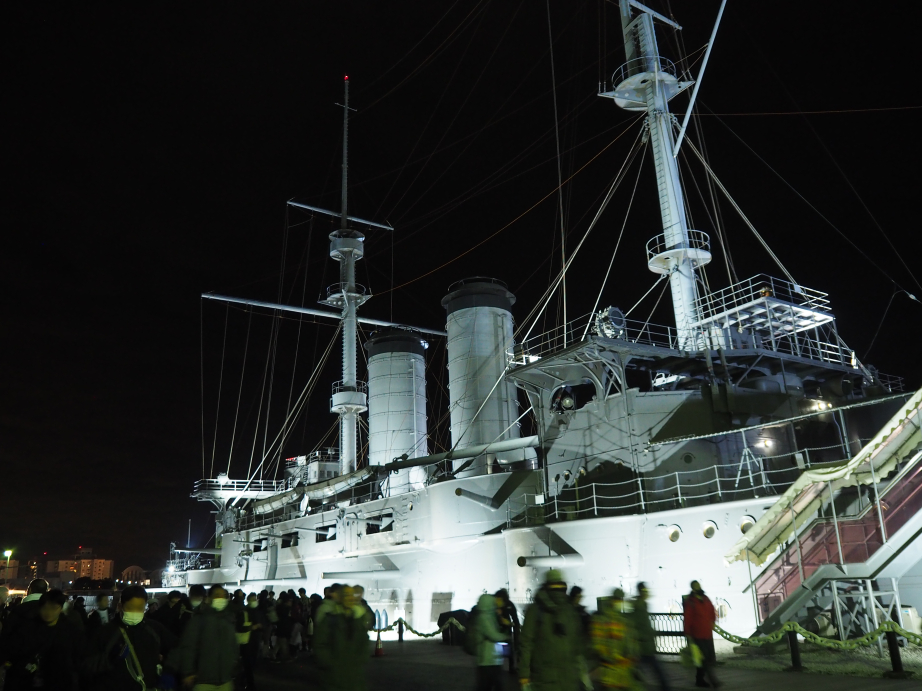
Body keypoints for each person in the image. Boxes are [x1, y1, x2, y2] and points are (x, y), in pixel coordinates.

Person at [84, 584, 179, 690]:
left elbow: (176, 648)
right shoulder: (106, 632)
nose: (135, 612)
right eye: (130, 608)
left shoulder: (154, 629)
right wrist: (109, 659)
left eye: (140, 609)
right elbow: (87, 666)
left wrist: (169, 670)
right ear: (120, 606)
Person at [4, 589, 85, 691]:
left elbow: (76, 659)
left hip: (57, 682)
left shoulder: (71, 631)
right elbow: (14, 650)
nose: (48, 612)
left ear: (61, 608)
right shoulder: (27, 627)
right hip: (25, 681)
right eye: (45, 608)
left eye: (53, 608)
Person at [518, 569, 586, 691]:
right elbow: (577, 646)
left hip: (544, 678)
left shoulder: (535, 610)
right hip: (570, 677)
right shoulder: (570, 610)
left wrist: (524, 674)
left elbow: (526, 643)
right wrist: (582, 674)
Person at [174, 585, 239, 690]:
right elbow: (188, 647)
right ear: (208, 599)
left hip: (225, 680)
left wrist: (233, 665)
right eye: (217, 595)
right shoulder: (198, 620)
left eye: (224, 596)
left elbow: (234, 646)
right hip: (203, 681)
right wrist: (188, 672)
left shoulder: (228, 620)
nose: (221, 598)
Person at [313, 585, 369, 691]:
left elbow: (364, 641)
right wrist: (331, 664)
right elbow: (319, 644)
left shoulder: (357, 619)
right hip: (334, 678)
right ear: (340, 598)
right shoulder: (329, 619)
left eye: (352, 595)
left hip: (355, 677)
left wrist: (360, 659)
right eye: (346, 595)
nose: (350, 598)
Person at [591, 588, 638, 690]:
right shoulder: (601, 619)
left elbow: (630, 641)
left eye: (621, 599)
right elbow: (597, 644)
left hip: (625, 670)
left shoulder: (624, 619)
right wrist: (611, 657)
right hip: (610, 670)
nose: (619, 602)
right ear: (612, 600)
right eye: (617, 599)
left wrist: (632, 654)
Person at [631, 582, 671, 691]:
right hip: (643, 645)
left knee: (642, 671)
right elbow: (638, 626)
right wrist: (648, 635)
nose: (647, 593)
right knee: (657, 671)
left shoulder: (642, 605)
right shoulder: (639, 607)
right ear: (641, 592)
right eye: (645, 591)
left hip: (645, 644)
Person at [683, 580, 719, 689]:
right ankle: (713, 681)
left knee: (704, 658)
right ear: (692, 588)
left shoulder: (705, 598)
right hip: (697, 635)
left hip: (707, 633)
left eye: (698, 585)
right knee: (705, 658)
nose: (697, 587)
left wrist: (713, 621)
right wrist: (688, 633)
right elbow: (688, 618)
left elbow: (712, 611)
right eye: (695, 586)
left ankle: (699, 679)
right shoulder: (691, 602)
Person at [472, 593, 508, 691]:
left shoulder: (490, 615)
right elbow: (493, 634)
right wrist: (505, 637)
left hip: (492, 658)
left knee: (493, 685)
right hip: (486, 660)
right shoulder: (483, 618)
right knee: (486, 686)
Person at [494, 589, 520, 675]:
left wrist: (514, 627)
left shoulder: (509, 604)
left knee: (509, 649)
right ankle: (506, 667)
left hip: (505, 629)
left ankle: (510, 667)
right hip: (498, 629)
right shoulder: (494, 605)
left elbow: (515, 619)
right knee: (502, 649)